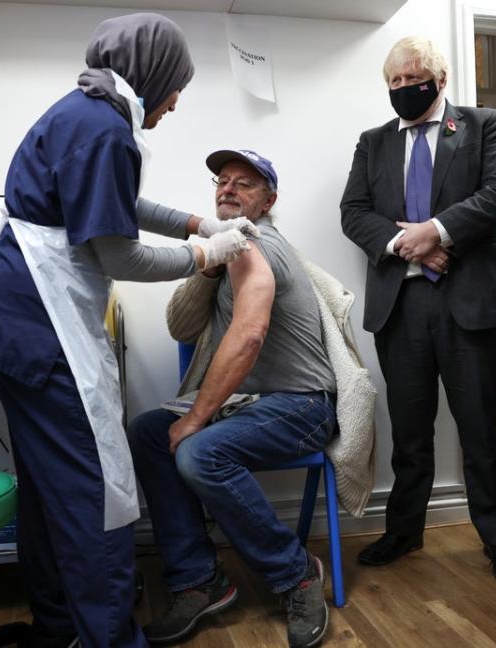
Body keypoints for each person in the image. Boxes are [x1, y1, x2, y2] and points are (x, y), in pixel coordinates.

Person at [0, 15, 256, 647]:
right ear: (154, 73)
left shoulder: (83, 113)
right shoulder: (105, 129)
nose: (175, 103)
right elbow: (122, 257)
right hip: (42, 328)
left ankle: (62, 625)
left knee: (48, 485)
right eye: (177, 88)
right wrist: (210, 254)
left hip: (10, 319)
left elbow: (122, 203)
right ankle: (110, 638)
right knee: (97, 490)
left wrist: (199, 224)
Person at [128, 149, 374, 648]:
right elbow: (181, 325)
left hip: (303, 406)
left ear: (268, 200)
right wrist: (211, 263)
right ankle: (199, 579)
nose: (228, 188)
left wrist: (196, 418)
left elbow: (249, 335)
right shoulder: (227, 250)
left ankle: (298, 574)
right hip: (253, 404)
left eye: (245, 183)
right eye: (222, 180)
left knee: (199, 451)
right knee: (147, 432)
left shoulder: (257, 246)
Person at [340, 36, 496, 584]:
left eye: (413, 78)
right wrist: (411, 244)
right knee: (409, 429)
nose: (403, 89)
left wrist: (438, 232)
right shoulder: (372, 143)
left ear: (439, 79)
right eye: (394, 82)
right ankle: (403, 529)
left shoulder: (483, 124)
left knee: (480, 429)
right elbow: (353, 213)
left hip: (469, 304)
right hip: (401, 306)